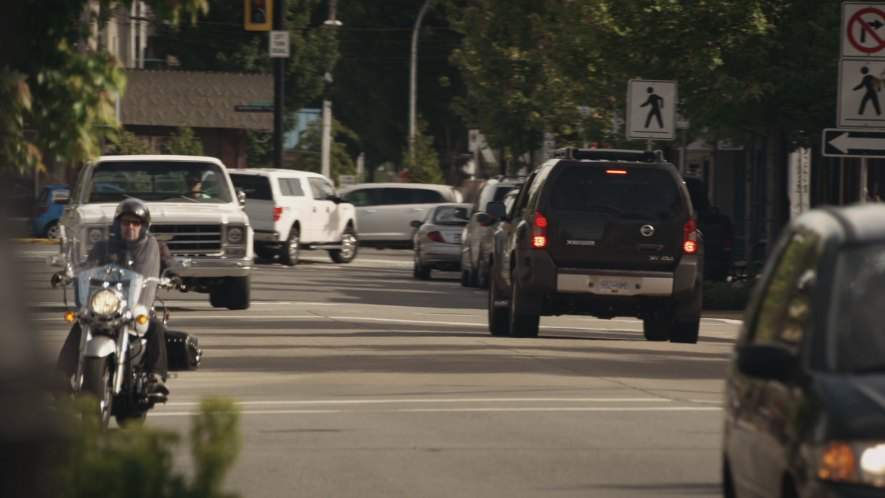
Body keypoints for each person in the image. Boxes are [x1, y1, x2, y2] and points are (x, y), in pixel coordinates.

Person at [56, 198, 175, 393]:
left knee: (155, 326)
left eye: (135, 223)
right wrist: (69, 274)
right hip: (107, 303)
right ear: (117, 224)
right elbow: (88, 265)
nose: (130, 227)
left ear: (143, 227)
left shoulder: (155, 246)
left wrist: (173, 275)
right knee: (81, 321)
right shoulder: (103, 247)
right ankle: (60, 374)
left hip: (137, 304)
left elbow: (169, 263)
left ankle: (155, 376)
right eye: (125, 222)